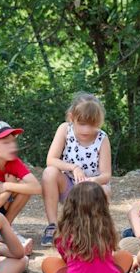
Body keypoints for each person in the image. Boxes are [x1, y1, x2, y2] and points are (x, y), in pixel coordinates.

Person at [41, 92, 112, 246]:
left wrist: (92, 181)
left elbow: (106, 175)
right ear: (72, 117)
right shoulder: (65, 129)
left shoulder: (102, 138)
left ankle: (94, 231)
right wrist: (73, 168)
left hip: (90, 190)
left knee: (106, 190)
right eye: (82, 124)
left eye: (92, 125)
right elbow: (50, 160)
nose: (86, 130)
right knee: (49, 173)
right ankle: (53, 226)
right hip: (68, 187)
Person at [42, 182, 132, 273]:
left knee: (48, 263)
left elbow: (66, 260)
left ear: (70, 206)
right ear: (103, 205)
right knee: (125, 256)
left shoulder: (64, 232)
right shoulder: (106, 229)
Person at [0, 120, 41, 253]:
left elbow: (37, 187)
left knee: (24, 188)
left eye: (13, 141)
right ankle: (0, 237)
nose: (12, 146)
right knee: (20, 187)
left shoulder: (12, 161)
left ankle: (5, 230)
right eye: (6, 143)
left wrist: (7, 185)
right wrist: (13, 186)